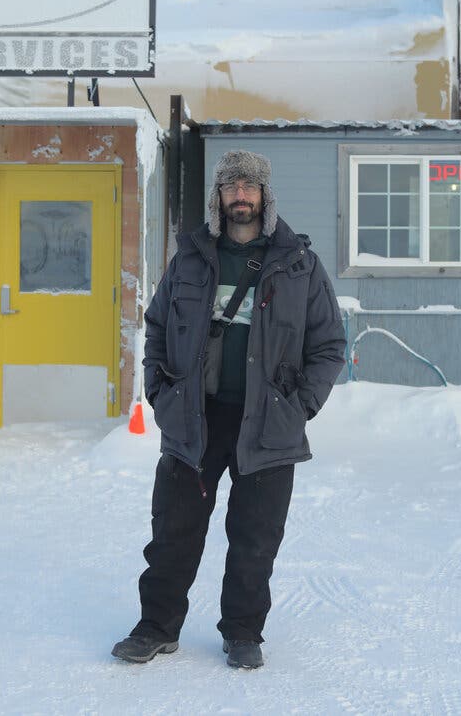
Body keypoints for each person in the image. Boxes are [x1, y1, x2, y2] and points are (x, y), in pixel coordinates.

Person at [112, 150, 346, 669]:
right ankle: (156, 627)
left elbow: (329, 344)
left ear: (265, 195)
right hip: (195, 420)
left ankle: (243, 632)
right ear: (218, 196)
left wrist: (299, 406)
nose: (241, 195)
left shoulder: (299, 263)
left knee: (255, 537)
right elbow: (154, 327)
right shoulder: (191, 257)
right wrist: (160, 392)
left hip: (268, 426)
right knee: (174, 531)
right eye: (231, 186)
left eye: (250, 186)